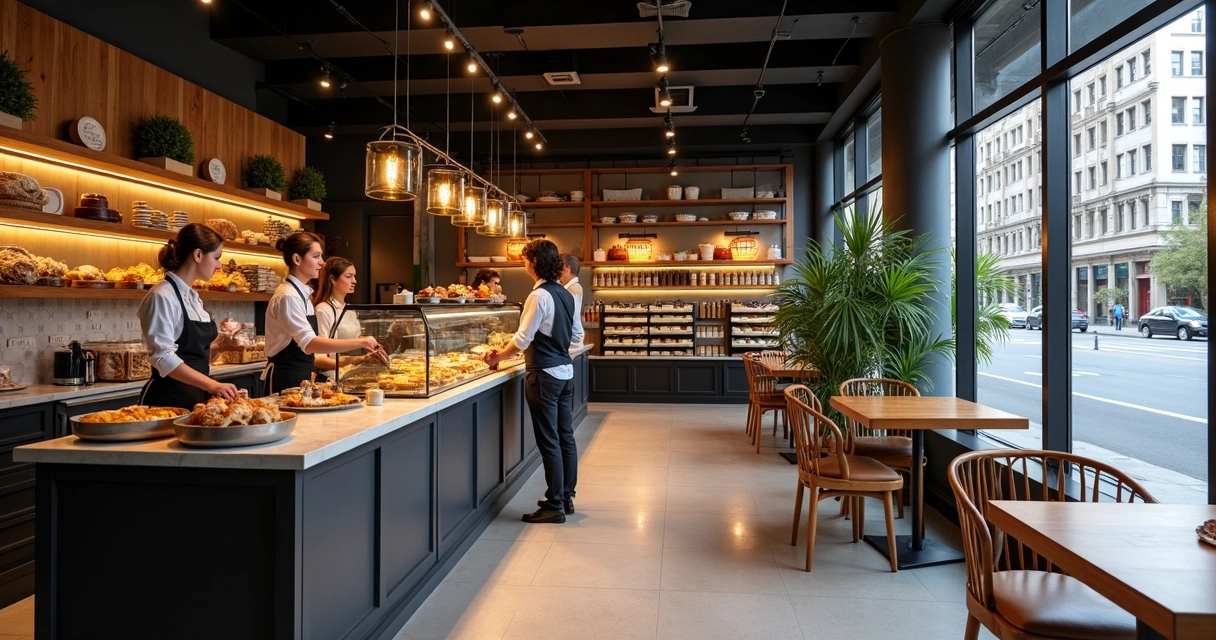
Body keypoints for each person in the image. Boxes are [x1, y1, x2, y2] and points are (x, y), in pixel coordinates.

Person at [483, 239, 576, 524]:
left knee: (549, 441)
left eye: (526, 260)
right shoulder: (565, 293)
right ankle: (565, 497)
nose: (524, 264)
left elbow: (523, 339)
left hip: (544, 375)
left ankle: (555, 505)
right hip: (565, 372)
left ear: (533, 263)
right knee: (565, 438)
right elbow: (576, 335)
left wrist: (498, 356)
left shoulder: (538, 296)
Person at [263, 232, 385, 394]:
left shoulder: (303, 295)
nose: (322, 263)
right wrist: (361, 342)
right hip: (286, 378)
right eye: (316, 256)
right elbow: (310, 344)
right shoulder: (288, 296)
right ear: (297, 259)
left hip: (301, 377)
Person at [138, 223, 240, 409]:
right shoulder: (162, 296)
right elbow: (163, 357)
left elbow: (191, 350)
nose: (219, 265)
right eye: (217, 257)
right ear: (198, 255)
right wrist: (211, 384)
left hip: (196, 397)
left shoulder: (193, 297)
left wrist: (222, 345)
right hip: (166, 402)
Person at [313, 257, 380, 380]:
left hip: (351, 375)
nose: (354, 281)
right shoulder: (323, 310)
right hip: (332, 379)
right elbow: (319, 359)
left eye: (354, 276)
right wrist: (354, 360)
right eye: (349, 276)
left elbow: (353, 342)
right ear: (333, 279)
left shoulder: (348, 308)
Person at [559, 253, 585, 348]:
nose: (558, 274)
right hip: (572, 340)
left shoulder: (573, 288)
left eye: (559, 270)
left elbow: (568, 317)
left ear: (566, 269)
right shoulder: (570, 287)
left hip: (572, 341)